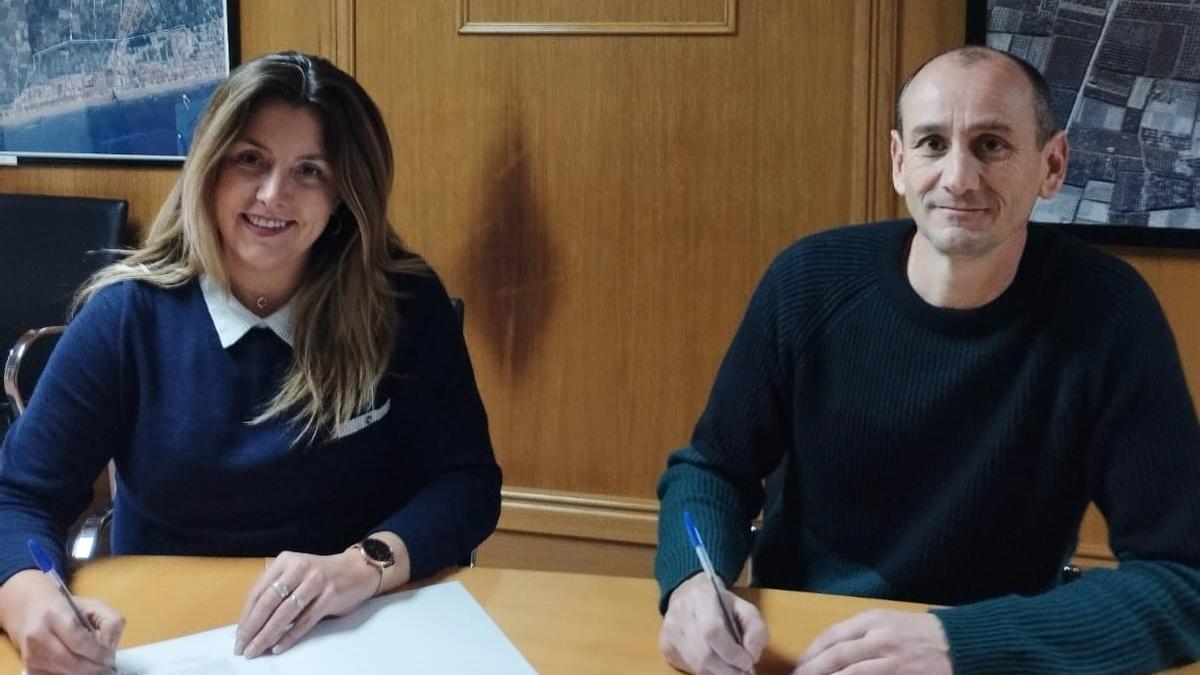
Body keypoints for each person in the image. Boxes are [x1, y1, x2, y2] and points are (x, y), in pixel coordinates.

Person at [656, 45, 1200, 675]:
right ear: (898, 162)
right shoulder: (806, 282)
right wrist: (693, 587)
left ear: (1052, 165)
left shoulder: (1109, 314)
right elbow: (712, 470)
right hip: (806, 649)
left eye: (992, 145)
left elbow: (1182, 578)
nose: (959, 178)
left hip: (989, 655)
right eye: (933, 144)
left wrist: (959, 642)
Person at [0, 51, 502, 674]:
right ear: (209, 168)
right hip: (170, 637)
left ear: (346, 193)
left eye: (310, 171)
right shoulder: (126, 316)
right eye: (250, 160)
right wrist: (28, 600)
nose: (273, 195)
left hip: (362, 633)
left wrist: (364, 564)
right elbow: (16, 496)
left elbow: (466, 482)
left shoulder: (400, 303)